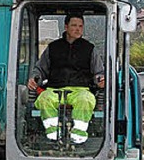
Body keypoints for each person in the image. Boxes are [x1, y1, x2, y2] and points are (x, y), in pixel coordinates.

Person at [28, 13, 105, 143]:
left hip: (80, 90)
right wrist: (34, 78)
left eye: (80, 26)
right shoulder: (53, 48)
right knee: (44, 99)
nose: (78, 29)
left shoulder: (90, 49)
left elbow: (99, 72)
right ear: (66, 27)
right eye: (74, 25)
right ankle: (53, 134)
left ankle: (78, 135)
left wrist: (100, 80)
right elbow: (40, 69)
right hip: (54, 89)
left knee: (86, 100)